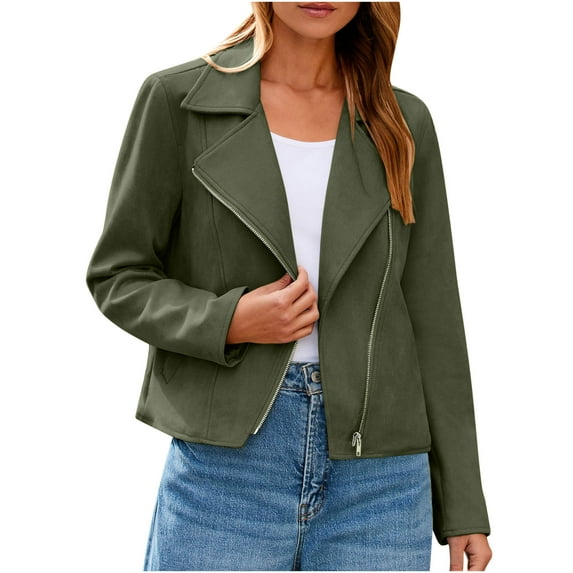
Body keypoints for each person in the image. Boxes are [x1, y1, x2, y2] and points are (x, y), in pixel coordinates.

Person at [87, 2, 492, 570]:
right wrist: (229, 321)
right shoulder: (179, 101)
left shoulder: (401, 121)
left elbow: (433, 315)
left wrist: (462, 503)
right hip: (228, 468)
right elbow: (119, 275)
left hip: (381, 479)